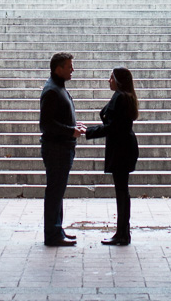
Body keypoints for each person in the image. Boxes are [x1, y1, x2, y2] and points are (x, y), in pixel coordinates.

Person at [83, 65, 140, 245]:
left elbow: (112, 127)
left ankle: (122, 234)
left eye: (111, 78)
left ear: (118, 81)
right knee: (123, 191)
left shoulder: (120, 98)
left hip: (121, 149)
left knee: (121, 192)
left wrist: (88, 131)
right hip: (124, 147)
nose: (109, 81)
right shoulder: (124, 96)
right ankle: (123, 232)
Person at [39, 51, 85, 246]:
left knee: (58, 191)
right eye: (69, 66)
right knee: (55, 191)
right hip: (56, 149)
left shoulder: (57, 88)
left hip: (62, 148)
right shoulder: (51, 90)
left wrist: (73, 126)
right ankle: (52, 234)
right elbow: (46, 124)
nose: (72, 69)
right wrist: (70, 131)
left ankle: (57, 229)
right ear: (58, 69)